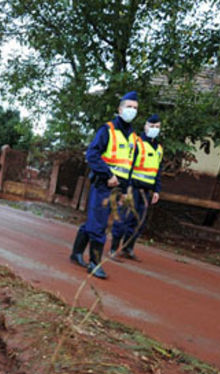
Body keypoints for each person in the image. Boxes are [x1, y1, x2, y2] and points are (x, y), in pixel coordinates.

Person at [69, 91, 142, 279]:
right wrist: (107, 174)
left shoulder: (134, 138)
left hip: (119, 188)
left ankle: (76, 253)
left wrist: (125, 191)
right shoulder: (107, 130)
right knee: (99, 224)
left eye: (135, 108)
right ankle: (94, 264)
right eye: (129, 107)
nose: (132, 110)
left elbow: (129, 167)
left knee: (95, 221)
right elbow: (92, 155)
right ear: (120, 109)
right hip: (103, 184)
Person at [110, 114, 163, 260]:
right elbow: (128, 165)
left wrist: (157, 190)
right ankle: (114, 248)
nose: (154, 129)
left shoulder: (159, 149)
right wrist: (125, 188)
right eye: (152, 126)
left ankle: (128, 248)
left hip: (146, 191)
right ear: (145, 126)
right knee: (123, 218)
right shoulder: (137, 144)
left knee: (139, 222)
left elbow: (158, 171)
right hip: (132, 188)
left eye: (157, 127)